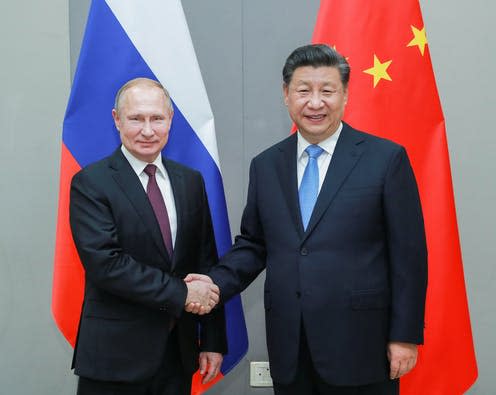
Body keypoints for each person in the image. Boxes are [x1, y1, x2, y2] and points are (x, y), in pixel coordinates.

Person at [186, 44, 427, 395]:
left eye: (327, 91)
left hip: (362, 346)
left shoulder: (385, 159)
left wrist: (404, 336)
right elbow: (254, 244)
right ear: (286, 95)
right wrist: (214, 283)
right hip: (291, 348)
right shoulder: (266, 165)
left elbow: (409, 256)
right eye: (303, 91)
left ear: (344, 95)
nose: (315, 103)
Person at [69, 77, 226, 395]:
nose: (148, 130)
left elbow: (205, 261)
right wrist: (182, 294)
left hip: (177, 354)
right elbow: (106, 265)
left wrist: (211, 340)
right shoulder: (91, 183)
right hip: (115, 357)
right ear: (116, 119)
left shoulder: (190, 181)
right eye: (136, 118)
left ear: (170, 120)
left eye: (157, 118)